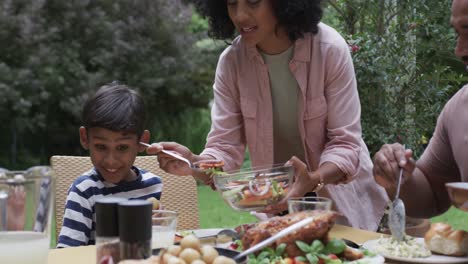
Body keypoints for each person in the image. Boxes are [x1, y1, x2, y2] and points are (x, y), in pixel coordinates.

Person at [147, 0, 388, 231]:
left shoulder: (330, 49)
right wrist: (193, 162)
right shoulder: (231, 63)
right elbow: (224, 146)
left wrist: (312, 179)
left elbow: (345, 143)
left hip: (344, 205)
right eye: (232, 3)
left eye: (253, 2)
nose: (240, 15)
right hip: (277, 208)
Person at [373, 0, 468, 219]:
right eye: (457, 33)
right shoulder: (459, 108)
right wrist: (398, 176)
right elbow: (431, 198)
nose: (459, 50)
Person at [57, 83, 163, 248]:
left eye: (122, 147)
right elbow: (67, 254)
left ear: (142, 142)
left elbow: (148, 249)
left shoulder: (152, 185)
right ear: (85, 138)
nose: (111, 160)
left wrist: (156, 230)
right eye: (101, 147)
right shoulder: (85, 191)